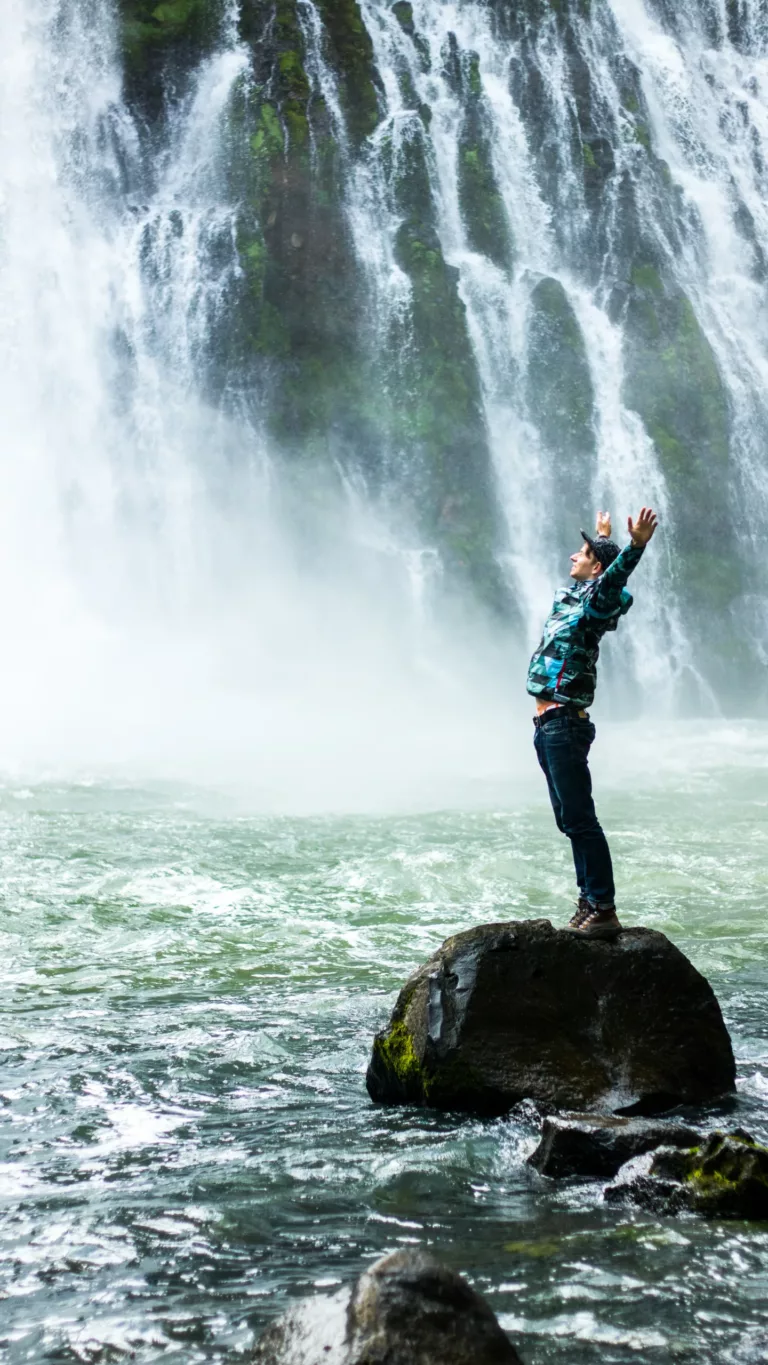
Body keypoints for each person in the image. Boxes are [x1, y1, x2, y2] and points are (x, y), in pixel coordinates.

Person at [526, 507, 658, 937]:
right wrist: (601, 539)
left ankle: (603, 907)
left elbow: (613, 584)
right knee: (569, 820)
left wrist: (633, 547)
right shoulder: (572, 598)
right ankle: (589, 899)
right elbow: (595, 579)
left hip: (564, 723)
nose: (571, 556)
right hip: (547, 727)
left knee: (581, 820)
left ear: (596, 568)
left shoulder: (595, 605)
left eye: (580, 554)